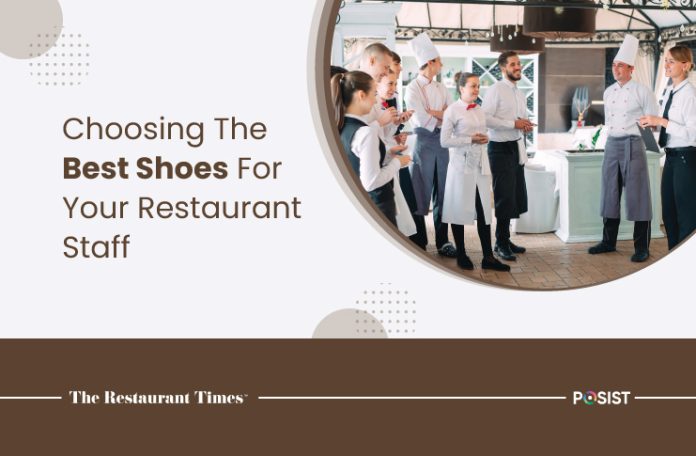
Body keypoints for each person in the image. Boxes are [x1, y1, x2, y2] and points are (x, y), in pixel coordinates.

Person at [589, 35, 659, 262]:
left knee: (639, 197)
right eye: (614, 65)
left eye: (620, 65)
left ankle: (642, 247)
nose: (616, 69)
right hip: (612, 145)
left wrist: (650, 142)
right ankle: (608, 242)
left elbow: (653, 119)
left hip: (633, 144)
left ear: (631, 69)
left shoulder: (643, 91)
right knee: (609, 194)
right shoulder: (608, 92)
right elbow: (610, 121)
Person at [441, 73, 510, 272]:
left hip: (480, 165)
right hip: (460, 167)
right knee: (458, 209)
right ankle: (461, 253)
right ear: (461, 88)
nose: (476, 89)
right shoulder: (452, 111)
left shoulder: (479, 109)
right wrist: (470, 140)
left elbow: (484, 131)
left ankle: (488, 257)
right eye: (473, 86)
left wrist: (483, 137)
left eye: (478, 86)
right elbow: (444, 141)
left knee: (484, 212)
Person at [330, 71, 411, 225]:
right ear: (361, 95)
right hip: (377, 207)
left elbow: (357, 161)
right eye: (374, 94)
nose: (375, 101)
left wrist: (387, 154)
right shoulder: (366, 132)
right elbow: (371, 182)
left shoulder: (340, 126)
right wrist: (398, 162)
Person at [405, 33, 457, 257]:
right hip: (423, 142)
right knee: (420, 190)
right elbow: (419, 118)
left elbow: (452, 114)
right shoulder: (412, 88)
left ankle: (443, 241)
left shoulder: (442, 88)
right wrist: (440, 115)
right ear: (430, 63)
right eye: (439, 60)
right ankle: (419, 239)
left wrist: (437, 115)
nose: (441, 64)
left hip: (442, 143)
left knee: (443, 191)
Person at [639, 45, 696, 249]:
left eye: (671, 61)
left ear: (686, 65)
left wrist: (661, 122)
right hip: (671, 158)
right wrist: (650, 125)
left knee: (686, 216)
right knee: (669, 215)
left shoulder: (689, 94)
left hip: (686, 159)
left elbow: (692, 133)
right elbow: (668, 126)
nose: (666, 65)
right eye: (665, 60)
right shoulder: (670, 91)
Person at [481, 51, 533, 261]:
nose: (518, 67)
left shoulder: (519, 93)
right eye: (513, 64)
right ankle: (499, 243)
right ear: (503, 68)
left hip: (515, 147)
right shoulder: (496, 89)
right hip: (499, 149)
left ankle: (506, 238)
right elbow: (485, 118)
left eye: (519, 63)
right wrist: (513, 124)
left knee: (514, 196)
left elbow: (521, 118)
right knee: (503, 197)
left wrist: (525, 124)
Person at [385, 51, 428, 249]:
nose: (401, 68)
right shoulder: (382, 94)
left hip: (395, 151)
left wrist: (398, 127)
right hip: (388, 157)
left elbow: (389, 128)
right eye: (397, 63)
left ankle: (418, 242)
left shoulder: (391, 94)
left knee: (409, 200)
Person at [376, 70, 417, 237]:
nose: (393, 88)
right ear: (376, 84)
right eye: (390, 83)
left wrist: (398, 123)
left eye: (395, 84)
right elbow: (374, 137)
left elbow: (385, 134)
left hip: (389, 156)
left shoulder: (386, 105)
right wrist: (391, 149)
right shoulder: (374, 107)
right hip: (382, 160)